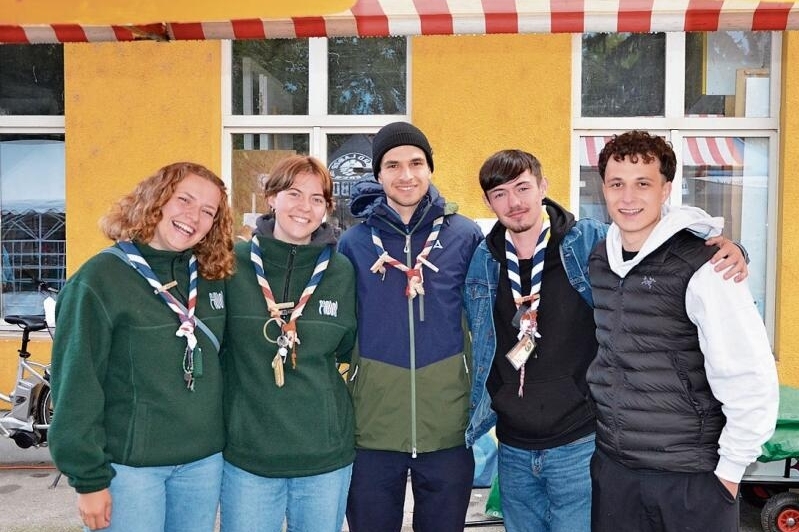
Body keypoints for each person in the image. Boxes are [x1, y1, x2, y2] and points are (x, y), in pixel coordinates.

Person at [464, 149, 750, 532]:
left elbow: (650, 236)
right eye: (500, 194)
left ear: (543, 187)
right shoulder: (482, 259)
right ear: (488, 201)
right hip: (513, 446)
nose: (514, 202)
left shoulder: (589, 241)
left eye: (522, 187)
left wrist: (726, 248)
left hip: (578, 443)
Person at [586, 130, 779, 532]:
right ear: (602, 188)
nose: (628, 197)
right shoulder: (600, 257)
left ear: (666, 189)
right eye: (616, 184)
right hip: (617, 470)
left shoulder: (708, 264)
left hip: (691, 477)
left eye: (643, 183)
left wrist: (730, 472)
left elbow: (749, 372)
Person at [48, 162, 236, 532]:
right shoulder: (99, 280)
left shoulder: (212, 279)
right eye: (184, 200)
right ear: (158, 200)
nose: (193, 216)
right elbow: (76, 385)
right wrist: (89, 480)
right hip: (131, 471)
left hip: (203, 464)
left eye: (208, 211)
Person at [338, 122, 485, 532]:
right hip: (373, 425)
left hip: (448, 424)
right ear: (378, 174)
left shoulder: (465, 235)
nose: (406, 175)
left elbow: (485, 318)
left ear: (430, 168)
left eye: (416, 163)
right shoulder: (353, 243)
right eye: (393, 165)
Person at [220, 155, 357, 532]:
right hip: (249, 458)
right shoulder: (233, 264)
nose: (304, 207)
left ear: (327, 208)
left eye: (317, 199)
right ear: (271, 198)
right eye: (294, 193)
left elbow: (350, 347)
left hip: (324, 458)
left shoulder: (341, 270)